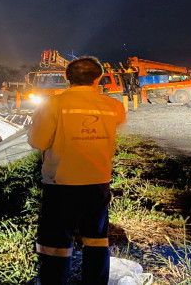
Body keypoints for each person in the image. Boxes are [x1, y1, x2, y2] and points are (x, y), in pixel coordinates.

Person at [27, 56, 126, 284]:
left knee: (55, 244)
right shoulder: (114, 106)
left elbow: (38, 142)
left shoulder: (53, 104)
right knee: (97, 239)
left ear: (66, 78)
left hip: (62, 184)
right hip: (98, 182)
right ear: (98, 78)